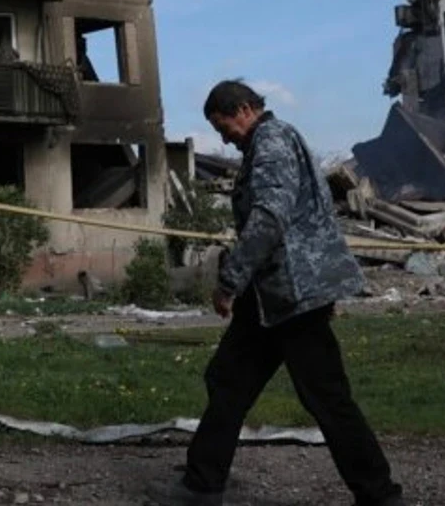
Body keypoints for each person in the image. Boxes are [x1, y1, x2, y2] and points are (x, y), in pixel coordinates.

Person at [150, 81, 404, 506]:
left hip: (293, 294)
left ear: (245, 109)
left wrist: (230, 279)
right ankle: (201, 484)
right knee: (228, 379)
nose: (223, 137)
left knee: (325, 396)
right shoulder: (275, 141)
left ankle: (379, 494)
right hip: (273, 293)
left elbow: (269, 217)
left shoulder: (270, 144)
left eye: (223, 124)